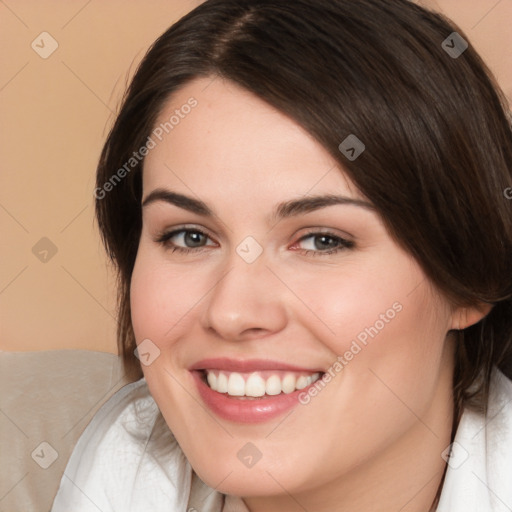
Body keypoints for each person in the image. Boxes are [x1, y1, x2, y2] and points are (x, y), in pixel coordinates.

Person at [51, 0, 512, 510]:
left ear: (471, 278)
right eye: (189, 236)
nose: (232, 312)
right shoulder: (115, 465)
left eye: (322, 240)